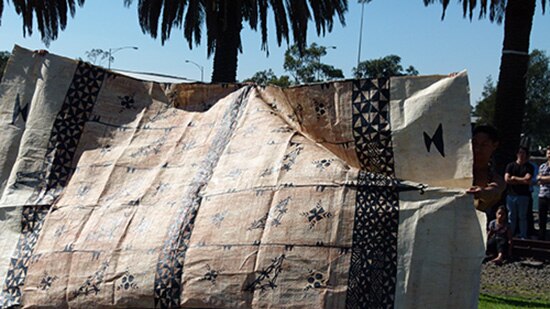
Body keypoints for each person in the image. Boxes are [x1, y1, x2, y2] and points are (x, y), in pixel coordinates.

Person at [467, 125, 505, 220]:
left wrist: (482, 192)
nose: (477, 149)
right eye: (475, 144)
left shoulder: (495, 176)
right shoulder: (457, 169)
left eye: (484, 145)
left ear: (494, 145)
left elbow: (495, 190)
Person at [504, 146, 534, 239]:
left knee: (522, 216)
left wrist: (514, 178)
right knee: (511, 216)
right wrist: (521, 180)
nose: (521, 155)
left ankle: (523, 235)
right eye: (520, 153)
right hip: (511, 195)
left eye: (523, 153)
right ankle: (511, 234)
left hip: (523, 195)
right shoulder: (510, 166)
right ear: (517, 154)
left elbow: (528, 179)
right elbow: (507, 179)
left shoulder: (529, 167)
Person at [536, 146, 550, 240]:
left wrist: (542, 178)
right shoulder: (542, 166)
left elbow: (541, 178)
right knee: (542, 218)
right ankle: (541, 237)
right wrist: (543, 179)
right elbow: (538, 179)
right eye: (548, 153)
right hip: (542, 195)